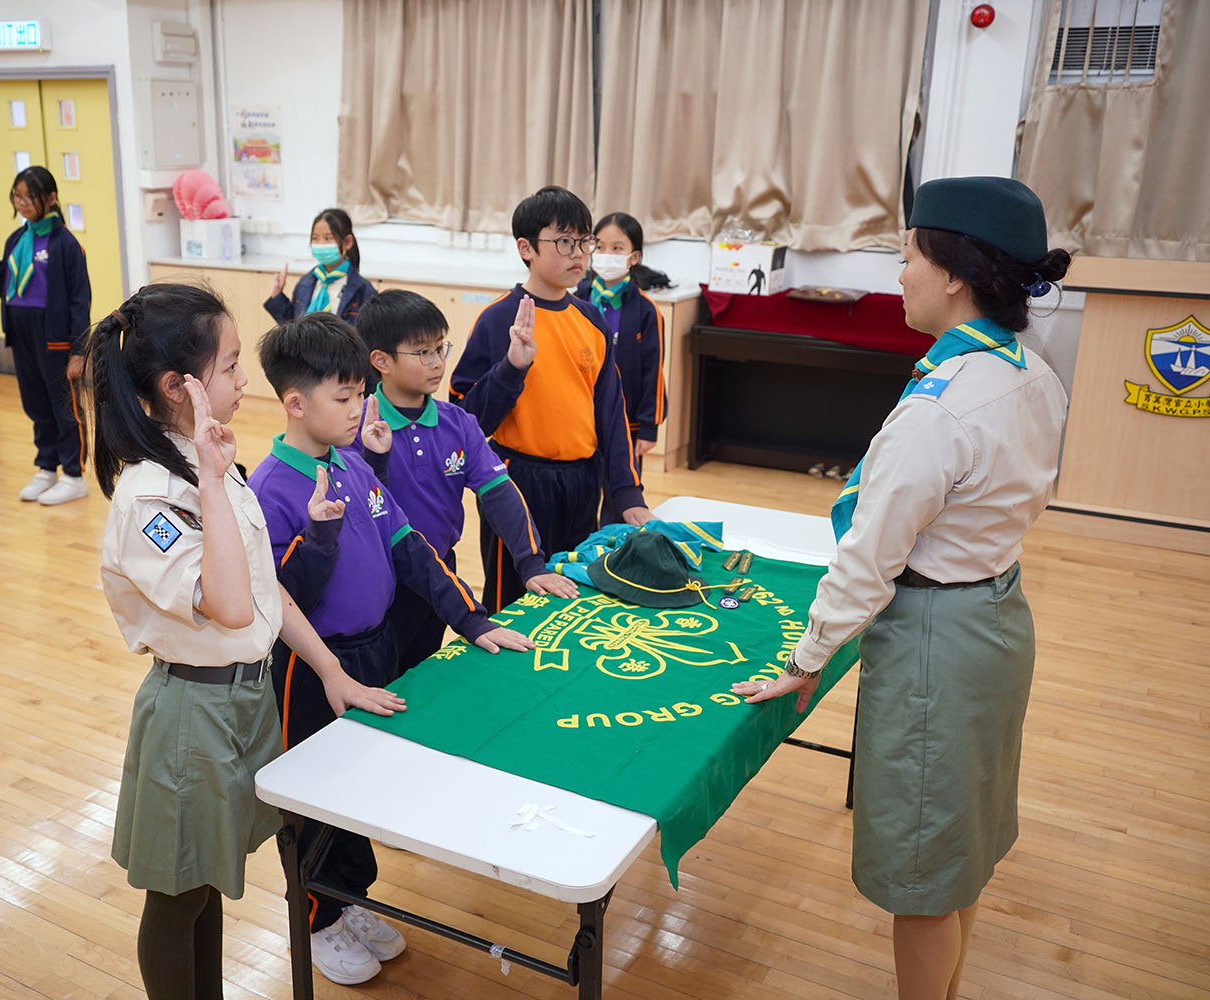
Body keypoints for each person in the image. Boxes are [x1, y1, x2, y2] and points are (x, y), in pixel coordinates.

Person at [733, 176, 1071, 1000]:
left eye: (908, 254)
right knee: (959, 850)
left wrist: (807, 658)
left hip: (934, 643)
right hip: (996, 616)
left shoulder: (942, 406)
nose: (900, 273)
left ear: (953, 273)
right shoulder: (1032, 372)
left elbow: (871, 557)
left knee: (923, 873)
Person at [88, 282, 405, 1000]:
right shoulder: (152, 496)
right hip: (190, 716)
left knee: (204, 885)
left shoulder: (208, 466)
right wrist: (209, 475)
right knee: (178, 896)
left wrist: (330, 669)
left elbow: (267, 590)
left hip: (242, 702)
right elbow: (230, 606)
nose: (242, 381)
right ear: (179, 387)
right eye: (229, 366)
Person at [249, 312, 531, 986]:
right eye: (344, 397)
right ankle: (316, 917)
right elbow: (281, 600)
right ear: (295, 403)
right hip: (314, 668)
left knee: (361, 787)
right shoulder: (269, 488)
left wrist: (473, 621)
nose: (359, 409)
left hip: (376, 649)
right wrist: (317, 538)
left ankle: (349, 900)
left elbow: (411, 549)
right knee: (317, 796)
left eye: (359, 394)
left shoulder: (351, 461)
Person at [347, 289, 578, 673]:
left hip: (441, 575)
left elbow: (499, 493)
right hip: (381, 584)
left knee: (423, 675)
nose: (438, 362)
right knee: (381, 682)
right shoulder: (355, 427)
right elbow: (363, 511)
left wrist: (532, 563)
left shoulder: (458, 423)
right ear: (381, 361)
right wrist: (375, 457)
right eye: (423, 352)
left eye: (441, 348)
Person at [450, 185, 653, 612]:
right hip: (518, 483)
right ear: (526, 248)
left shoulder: (591, 319)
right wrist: (511, 368)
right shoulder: (497, 319)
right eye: (563, 242)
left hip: (582, 481)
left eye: (583, 241)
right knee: (512, 599)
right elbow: (465, 418)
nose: (578, 254)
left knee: (575, 592)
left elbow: (611, 415)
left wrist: (627, 493)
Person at [0, 165, 92, 505]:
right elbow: (5, 286)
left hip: (54, 335)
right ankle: (46, 467)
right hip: (21, 332)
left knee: (63, 406)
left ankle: (73, 474)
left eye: (30, 196)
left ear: (51, 198)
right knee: (35, 403)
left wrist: (79, 350)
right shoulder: (17, 239)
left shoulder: (65, 244)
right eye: (17, 196)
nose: (22, 202)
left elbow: (80, 300)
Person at [574, 212, 666, 523]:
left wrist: (648, 427)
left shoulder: (646, 310)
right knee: (581, 497)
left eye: (617, 248)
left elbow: (653, 373)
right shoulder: (577, 298)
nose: (606, 255)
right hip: (580, 418)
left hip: (626, 423)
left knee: (619, 501)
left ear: (634, 257)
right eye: (599, 246)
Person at [263, 207, 377, 325]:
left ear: (347, 242)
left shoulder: (364, 290)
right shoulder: (305, 283)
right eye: (315, 238)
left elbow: (368, 331)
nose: (320, 244)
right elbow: (293, 324)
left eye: (328, 238)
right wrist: (277, 295)